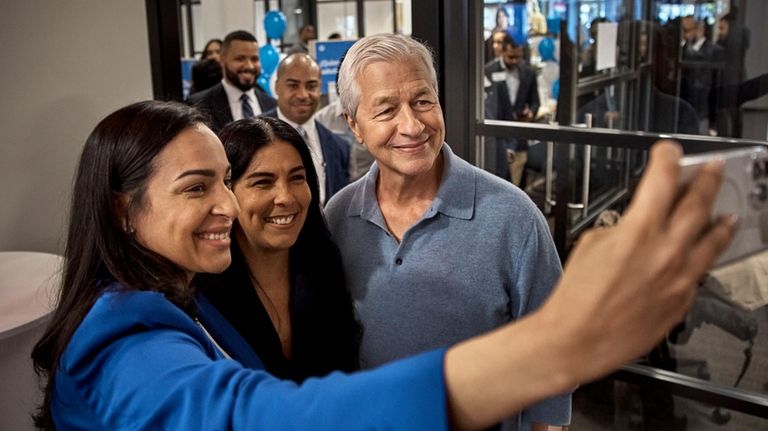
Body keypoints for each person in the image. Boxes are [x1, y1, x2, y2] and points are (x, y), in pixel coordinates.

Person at [29, 98, 735, 431]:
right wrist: (553, 347)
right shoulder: (121, 338)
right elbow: (259, 416)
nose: (225, 206)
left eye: (222, 179)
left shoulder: (503, 213)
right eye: (197, 187)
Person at [327, 33, 561, 430]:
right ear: (355, 126)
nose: (412, 125)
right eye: (386, 110)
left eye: (423, 101)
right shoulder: (338, 216)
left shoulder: (513, 216)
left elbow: (553, 347)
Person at [194, 117, 360, 382]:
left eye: (296, 178)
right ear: (226, 192)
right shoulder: (198, 296)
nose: (285, 197)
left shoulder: (326, 268)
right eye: (263, 182)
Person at [262, 53, 349, 205]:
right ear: (277, 87)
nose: (303, 95)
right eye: (293, 85)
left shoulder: (339, 147)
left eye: (311, 86)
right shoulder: (251, 136)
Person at [188, 30, 277, 133]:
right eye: (240, 59)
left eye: (254, 59)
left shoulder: (271, 104)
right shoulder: (199, 105)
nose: (249, 66)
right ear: (222, 60)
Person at [484, 34, 540, 186]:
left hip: (519, 135)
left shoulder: (528, 72)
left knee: (514, 185)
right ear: (502, 51)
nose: (515, 61)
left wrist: (530, 113)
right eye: (511, 57)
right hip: (495, 138)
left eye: (518, 57)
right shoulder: (488, 71)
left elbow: (535, 102)